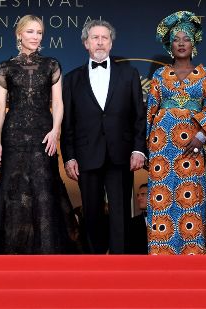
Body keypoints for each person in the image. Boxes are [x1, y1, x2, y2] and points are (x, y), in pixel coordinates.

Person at [0, 15, 79, 254]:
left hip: (43, 134)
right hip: (13, 135)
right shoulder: (5, 68)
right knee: (14, 190)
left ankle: (46, 252)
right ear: (19, 35)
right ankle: (12, 252)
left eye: (39, 32)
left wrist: (55, 130)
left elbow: (58, 104)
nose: (35, 37)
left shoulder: (52, 65)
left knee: (43, 189)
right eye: (30, 32)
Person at [61, 19, 147, 254]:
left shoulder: (129, 74)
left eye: (104, 38)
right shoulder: (70, 79)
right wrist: (69, 156)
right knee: (91, 212)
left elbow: (139, 115)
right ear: (86, 43)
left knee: (120, 212)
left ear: (111, 43)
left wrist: (139, 149)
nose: (100, 42)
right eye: (95, 38)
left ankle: (120, 266)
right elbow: (67, 122)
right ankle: (94, 264)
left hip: (121, 152)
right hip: (86, 154)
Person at [146, 11, 206, 255]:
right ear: (169, 44)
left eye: (185, 39)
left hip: (192, 147)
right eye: (176, 39)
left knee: (190, 199)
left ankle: (192, 255)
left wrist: (201, 136)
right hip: (162, 148)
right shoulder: (159, 75)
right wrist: (148, 148)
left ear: (193, 42)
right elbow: (150, 111)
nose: (180, 43)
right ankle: (161, 255)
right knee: (162, 201)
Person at [125, 183, 148, 254]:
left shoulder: (164, 220)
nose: (139, 198)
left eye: (143, 194)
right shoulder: (132, 223)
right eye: (138, 195)